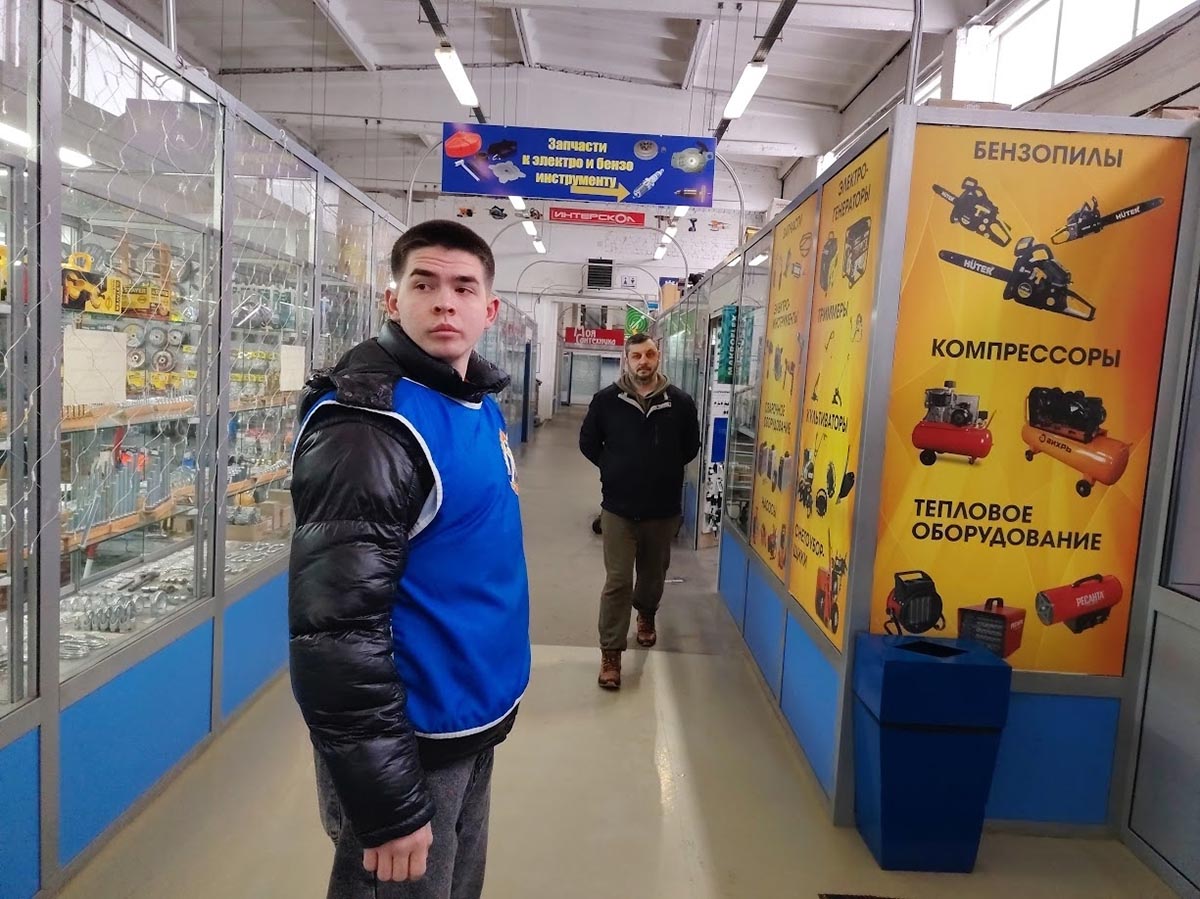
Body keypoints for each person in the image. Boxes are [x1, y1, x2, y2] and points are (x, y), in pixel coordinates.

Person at [288, 220, 531, 898]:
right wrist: (387, 803)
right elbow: (336, 633)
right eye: (424, 284)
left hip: (465, 716)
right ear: (392, 301)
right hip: (409, 739)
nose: (445, 302)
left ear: (490, 309)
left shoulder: (472, 399)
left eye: (464, 288)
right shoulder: (370, 427)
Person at [579, 333, 700, 689]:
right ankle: (611, 653)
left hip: (662, 510)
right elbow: (588, 443)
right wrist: (614, 467)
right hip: (617, 508)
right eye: (636, 356)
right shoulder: (606, 401)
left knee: (652, 576)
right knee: (618, 581)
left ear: (658, 356)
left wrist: (662, 470)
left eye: (649, 354)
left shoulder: (680, 403)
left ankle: (646, 614)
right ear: (626, 360)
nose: (643, 361)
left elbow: (690, 447)